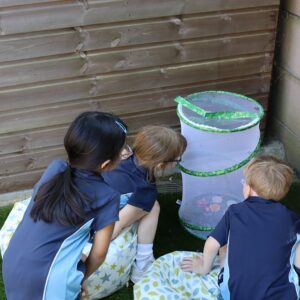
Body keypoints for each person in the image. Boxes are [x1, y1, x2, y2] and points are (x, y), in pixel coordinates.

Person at [2, 111, 128, 300]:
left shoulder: (55, 168)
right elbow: (100, 253)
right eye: (121, 150)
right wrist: (81, 277)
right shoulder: (107, 196)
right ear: (106, 164)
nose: (125, 151)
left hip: (13, 261)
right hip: (47, 280)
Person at [180, 155, 300, 300]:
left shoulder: (235, 212)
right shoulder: (290, 218)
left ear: (248, 188)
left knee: (223, 244)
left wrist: (204, 267)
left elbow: (212, 243)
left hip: (235, 294)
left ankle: (224, 263)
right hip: (282, 296)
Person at [102, 125, 187, 283]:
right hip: (93, 235)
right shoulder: (145, 189)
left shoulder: (122, 157)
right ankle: (142, 265)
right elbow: (115, 226)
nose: (177, 164)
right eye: (177, 160)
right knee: (153, 206)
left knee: (148, 204)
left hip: (81, 215)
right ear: (161, 166)